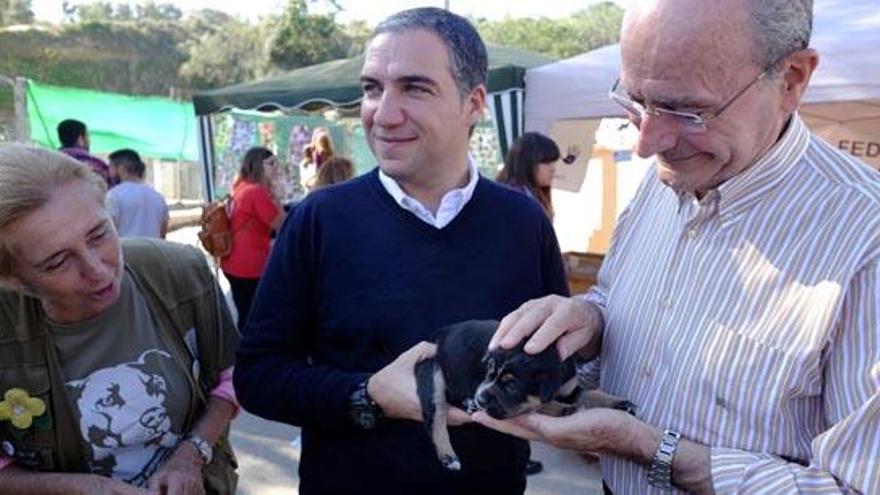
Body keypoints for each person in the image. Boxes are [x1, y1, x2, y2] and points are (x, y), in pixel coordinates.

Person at [473, 1, 880, 494]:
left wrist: (651, 447)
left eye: (686, 111)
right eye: (635, 99)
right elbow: (620, 303)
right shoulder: (665, 177)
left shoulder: (866, 238)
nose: (647, 142)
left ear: (792, 78)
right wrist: (592, 321)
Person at [234, 8, 568, 495]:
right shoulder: (319, 221)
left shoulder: (523, 223)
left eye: (414, 87)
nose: (383, 113)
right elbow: (258, 376)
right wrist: (367, 395)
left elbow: (553, 359)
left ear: (473, 103)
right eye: (372, 88)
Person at [0, 144, 240, 495]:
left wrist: (193, 453)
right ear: (12, 280)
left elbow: (234, 376)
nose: (98, 271)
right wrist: (77, 488)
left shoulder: (181, 273)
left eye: (100, 234)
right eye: (57, 262)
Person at [220, 146, 285, 332]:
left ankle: (245, 353)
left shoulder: (241, 186)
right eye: (271, 163)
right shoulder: (256, 192)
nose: (276, 168)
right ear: (258, 165)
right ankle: (255, 355)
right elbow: (283, 226)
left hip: (233, 262)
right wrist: (278, 197)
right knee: (259, 316)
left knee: (246, 314)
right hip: (251, 265)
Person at [106, 149, 169, 239]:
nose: (109, 173)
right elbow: (162, 234)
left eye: (111, 168)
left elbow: (108, 233)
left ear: (121, 169)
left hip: (126, 252)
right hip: (153, 252)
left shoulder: (113, 195)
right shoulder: (158, 197)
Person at [496, 132, 560, 219]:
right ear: (526, 163)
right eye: (546, 162)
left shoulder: (534, 193)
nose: (553, 168)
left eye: (554, 162)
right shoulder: (514, 198)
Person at [56, 119, 113, 187]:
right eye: (87, 136)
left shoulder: (51, 163)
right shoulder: (97, 166)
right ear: (80, 139)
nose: (89, 141)